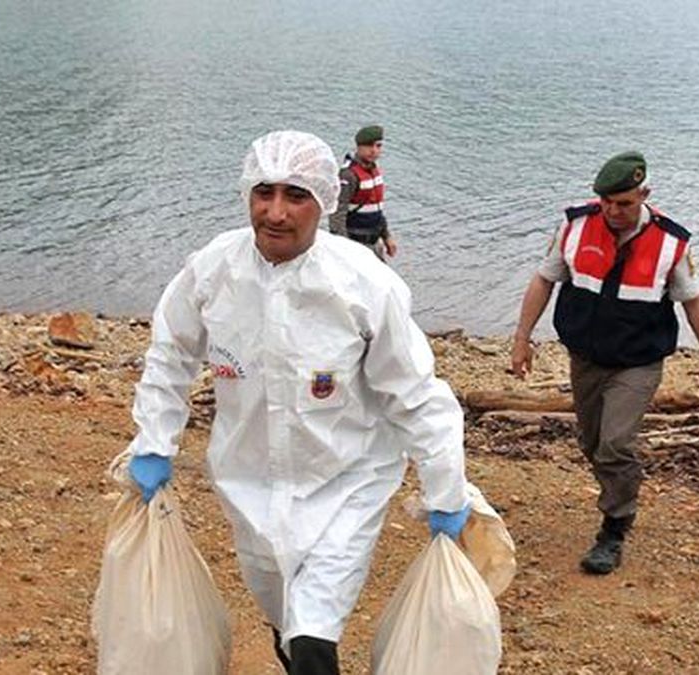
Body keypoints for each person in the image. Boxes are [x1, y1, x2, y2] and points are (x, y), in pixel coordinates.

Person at [123, 130, 470, 675]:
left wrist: (445, 489)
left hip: (346, 484)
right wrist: (153, 443)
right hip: (248, 483)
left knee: (312, 637)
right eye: (264, 193)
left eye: (296, 196)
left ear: (325, 201)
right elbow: (170, 356)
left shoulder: (363, 284)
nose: (276, 213)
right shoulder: (213, 270)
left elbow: (415, 394)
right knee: (284, 620)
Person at [509, 151, 699, 574]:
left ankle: (615, 526)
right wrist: (521, 338)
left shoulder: (670, 242)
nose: (613, 211)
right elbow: (544, 280)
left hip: (638, 361)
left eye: (623, 203)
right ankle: (619, 488)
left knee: (616, 443)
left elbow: (694, 302)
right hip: (586, 356)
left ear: (644, 194)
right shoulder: (575, 225)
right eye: (606, 201)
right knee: (592, 443)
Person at [329, 125, 397, 260]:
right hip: (355, 245)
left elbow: (376, 210)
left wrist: (387, 236)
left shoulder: (374, 172)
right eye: (369, 145)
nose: (374, 150)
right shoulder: (348, 175)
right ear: (358, 147)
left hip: (374, 243)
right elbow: (337, 215)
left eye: (378, 146)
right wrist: (344, 248)